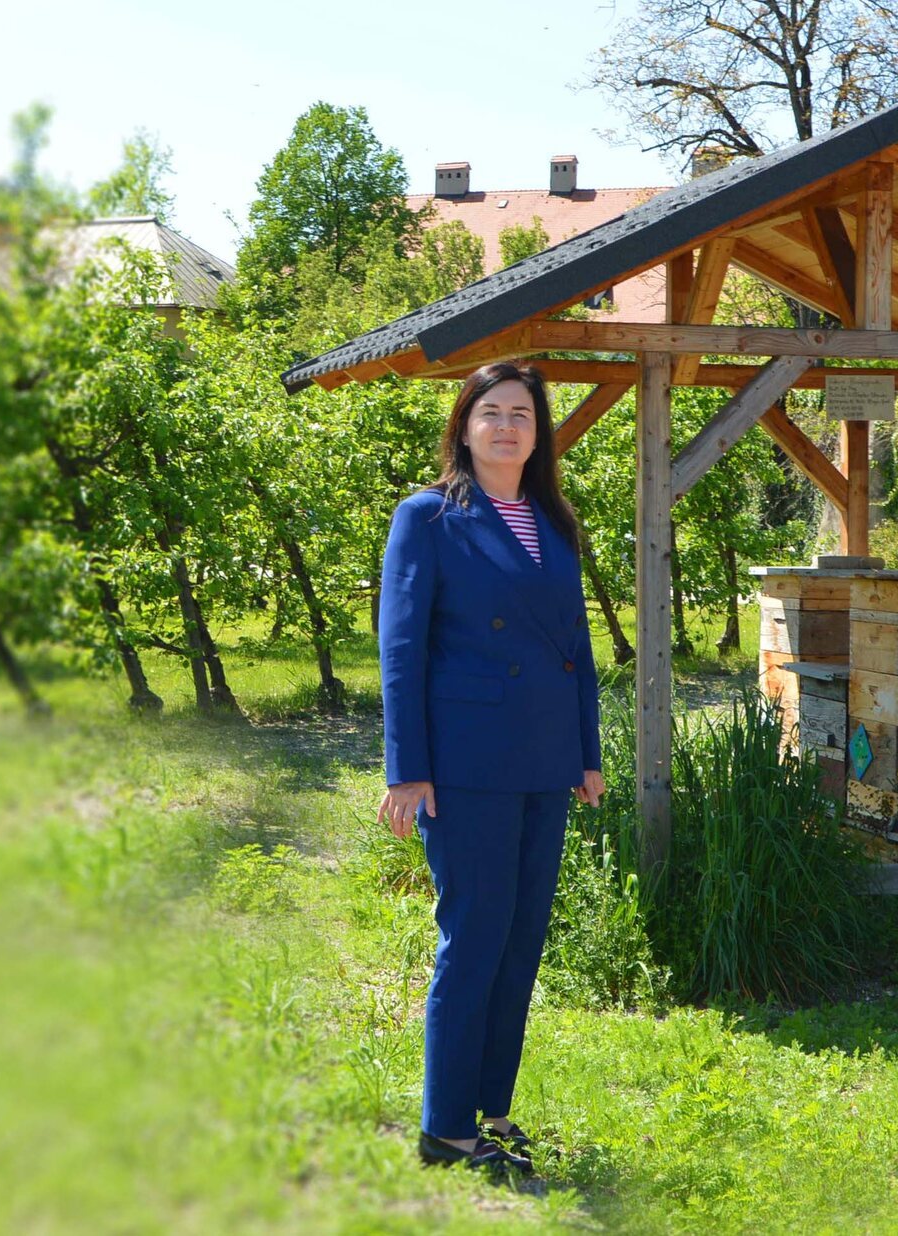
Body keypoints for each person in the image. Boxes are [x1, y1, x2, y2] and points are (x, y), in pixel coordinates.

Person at [375, 361, 604, 1177]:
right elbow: (401, 648)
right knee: (474, 940)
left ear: (538, 434)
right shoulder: (429, 516)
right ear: (465, 426)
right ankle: (445, 1129)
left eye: (522, 415)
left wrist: (586, 754)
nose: (507, 427)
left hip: (544, 759)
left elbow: (576, 646)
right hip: (465, 762)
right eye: (492, 412)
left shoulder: (552, 519)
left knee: (519, 942)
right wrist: (407, 769)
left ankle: (492, 1112)